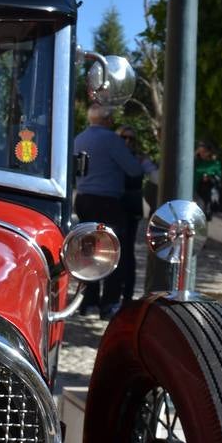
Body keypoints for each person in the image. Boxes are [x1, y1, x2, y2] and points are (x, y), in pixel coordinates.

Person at [73, 106, 154, 318]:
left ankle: (87, 302)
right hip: (107, 202)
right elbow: (134, 170)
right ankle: (108, 303)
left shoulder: (78, 138)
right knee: (113, 252)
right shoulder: (111, 139)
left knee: (88, 251)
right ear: (107, 119)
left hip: (82, 200)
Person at [116, 125, 158, 303]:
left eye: (131, 139)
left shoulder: (140, 159)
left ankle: (127, 295)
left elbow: (156, 177)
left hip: (131, 206)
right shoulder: (113, 156)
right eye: (123, 138)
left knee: (127, 251)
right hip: (113, 205)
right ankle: (107, 296)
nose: (127, 142)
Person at [194, 141, 222, 216]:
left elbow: (218, 177)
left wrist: (209, 177)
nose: (202, 153)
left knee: (200, 215)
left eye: (204, 151)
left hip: (204, 194)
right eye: (200, 151)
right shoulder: (196, 162)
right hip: (192, 191)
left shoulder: (215, 164)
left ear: (209, 152)